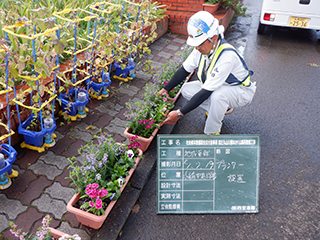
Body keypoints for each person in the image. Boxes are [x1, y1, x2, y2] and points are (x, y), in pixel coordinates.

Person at [158, 11, 256, 135]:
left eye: (199, 44)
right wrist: (165, 89)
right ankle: (221, 109)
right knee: (186, 89)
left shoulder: (227, 56)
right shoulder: (202, 48)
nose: (196, 48)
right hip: (220, 86)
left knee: (218, 96)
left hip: (239, 91)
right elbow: (184, 70)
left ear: (213, 38)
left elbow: (206, 91)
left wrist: (179, 113)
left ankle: (212, 132)